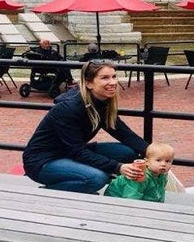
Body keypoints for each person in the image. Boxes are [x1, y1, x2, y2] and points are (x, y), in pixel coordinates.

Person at [23, 61, 148, 194]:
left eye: (114, 76)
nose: (112, 82)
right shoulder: (69, 108)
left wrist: (150, 151)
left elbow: (123, 133)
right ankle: (47, 193)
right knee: (96, 178)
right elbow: (76, 151)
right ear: (88, 83)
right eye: (104, 78)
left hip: (69, 152)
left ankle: (79, 180)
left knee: (129, 152)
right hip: (43, 161)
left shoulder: (103, 101)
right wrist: (118, 167)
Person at [104, 142, 174, 202]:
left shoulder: (162, 175)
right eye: (158, 160)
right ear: (147, 162)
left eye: (168, 161)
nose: (163, 164)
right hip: (115, 200)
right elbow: (132, 197)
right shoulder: (139, 176)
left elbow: (160, 191)